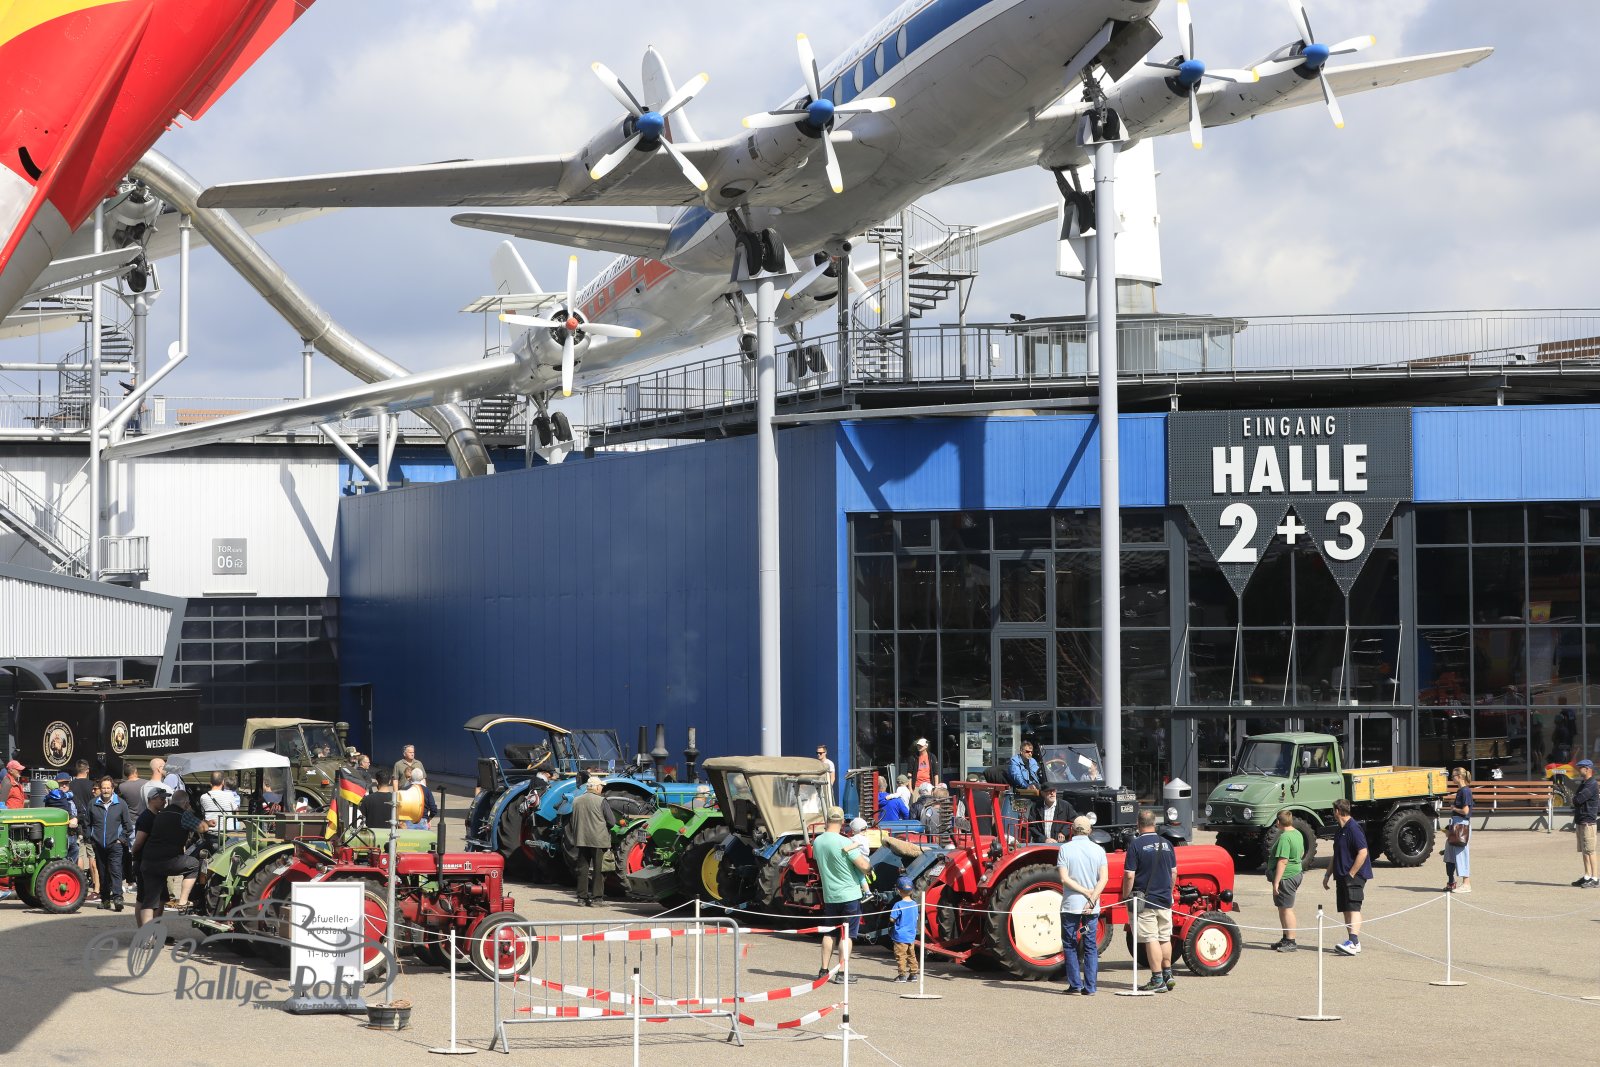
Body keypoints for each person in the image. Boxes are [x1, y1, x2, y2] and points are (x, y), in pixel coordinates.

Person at [129, 787, 210, 926]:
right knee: (194, 864)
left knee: (150, 901)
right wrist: (198, 817)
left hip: (148, 861)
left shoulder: (160, 814)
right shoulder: (183, 815)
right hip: (167, 860)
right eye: (161, 798)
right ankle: (183, 901)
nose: (163, 801)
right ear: (186, 803)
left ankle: (148, 934)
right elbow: (203, 828)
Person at [1121, 809, 1177, 992]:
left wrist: (1125, 895)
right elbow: (1174, 873)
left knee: (1150, 938)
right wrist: (1168, 891)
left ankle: (1157, 978)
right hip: (1164, 899)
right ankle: (1168, 974)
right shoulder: (1167, 844)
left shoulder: (1136, 845)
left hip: (1145, 901)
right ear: (1154, 823)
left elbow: (1129, 875)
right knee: (1164, 937)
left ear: (1138, 824)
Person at [813, 808, 869, 984]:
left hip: (830, 895)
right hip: (849, 895)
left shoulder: (818, 842)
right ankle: (842, 972)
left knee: (829, 932)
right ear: (843, 821)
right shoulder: (845, 842)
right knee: (847, 935)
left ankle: (823, 970)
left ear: (827, 820)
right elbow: (863, 866)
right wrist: (869, 868)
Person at [1058, 815, 1108, 995]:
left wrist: (1084, 891)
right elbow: (1104, 879)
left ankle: (1075, 984)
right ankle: (1091, 986)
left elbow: (1064, 879)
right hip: (1091, 906)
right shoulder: (1099, 850)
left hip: (1071, 904)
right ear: (1090, 831)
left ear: (1072, 830)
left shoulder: (1064, 849)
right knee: (1090, 945)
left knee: (1070, 944)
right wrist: (1092, 896)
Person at [1323, 798, 1373, 955]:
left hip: (1354, 876)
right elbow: (1336, 854)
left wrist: (1352, 873)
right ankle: (1353, 942)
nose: (1333, 813)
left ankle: (1353, 941)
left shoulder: (1353, 828)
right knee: (1345, 908)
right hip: (1341, 875)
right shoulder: (1340, 830)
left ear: (1338, 811)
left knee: (1353, 907)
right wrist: (1327, 874)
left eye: (1333, 810)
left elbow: (1363, 852)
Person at [85, 776, 134, 912]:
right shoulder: (93, 803)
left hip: (115, 844)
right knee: (102, 873)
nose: (106, 790)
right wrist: (90, 839)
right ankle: (105, 900)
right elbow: (87, 823)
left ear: (113, 789)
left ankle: (118, 898)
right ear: (100, 789)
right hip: (99, 844)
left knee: (115, 870)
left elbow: (128, 826)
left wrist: (121, 839)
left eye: (108, 788)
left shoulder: (121, 804)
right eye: (103, 788)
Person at [569, 778, 616, 906]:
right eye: (601, 786)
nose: (602, 789)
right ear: (596, 787)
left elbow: (573, 821)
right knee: (599, 870)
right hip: (598, 840)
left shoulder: (576, 800)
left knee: (582, 870)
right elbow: (612, 821)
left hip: (581, 839)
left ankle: (581, 898)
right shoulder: (601, 801)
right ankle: (597, 899)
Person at [1268, 810, 1304, 952]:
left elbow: (1283, 861)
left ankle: (1291, 941)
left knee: (1287, 909)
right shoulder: (1297, 833)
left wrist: (1276, 882)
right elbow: (1301, 852)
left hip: (1287, 876)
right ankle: (1286, 938)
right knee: (1282, 907)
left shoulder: (1285, 837)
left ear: (1278, 822)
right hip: (1295, 873)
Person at [68, 760, 99, 897]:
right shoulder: (92, 785)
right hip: (91, 824)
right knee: (92, 856)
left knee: (79, 855)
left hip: (76, 823)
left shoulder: (70, 785)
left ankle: (81, 885)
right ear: (87, 770)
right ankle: (96, 886)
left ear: (76, 770)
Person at [1443, 766, 1473, 894]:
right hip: (1456, 824)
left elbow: (1465, 811)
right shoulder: (1461, 790)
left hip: (1461, 826)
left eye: (1453, 776)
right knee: (1449, 855)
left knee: (1461, 855)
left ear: (1459, 777)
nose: (1452, 778)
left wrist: (1454, 808)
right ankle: (1451, 882)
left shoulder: (1465, 791)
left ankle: (1466, 884)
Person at [1572, 758, 1598, 888]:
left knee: (1590, 851)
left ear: (1587, 769)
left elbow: (1578, 800)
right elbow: (1576, 799)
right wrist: (1575, 798)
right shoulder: (1585, 783)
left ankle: (1595, 878)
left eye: (1580, 767)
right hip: (1581, 821)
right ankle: (1587, 876)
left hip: (1588, 823)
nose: (1578, 770)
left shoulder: (1591, 784)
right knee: (1584, 850)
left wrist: (1575, 798)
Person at [889, 875, 919, 984]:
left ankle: (902, 975)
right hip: (911, 935)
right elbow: (916, 918)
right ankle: (913, 974)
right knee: (911, 955)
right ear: (911, 890)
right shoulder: (914, 904)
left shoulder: (898, 904)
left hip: (900, 936)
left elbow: (892, 919)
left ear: (898, 890)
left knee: (901, 956)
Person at [45, 771, 80, 861]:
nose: (64, 786)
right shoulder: (51, 799)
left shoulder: (73, 797)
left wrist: (76, 818)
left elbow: (83, 812)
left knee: (75, 853)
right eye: (61, 784)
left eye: (66, 783)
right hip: (60, 834)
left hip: (73, 834)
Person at [199, 772, 241, 836]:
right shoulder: (229, 795)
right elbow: (236, 810)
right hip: (227, 832)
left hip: (211, 832)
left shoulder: (203, 797)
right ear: (223, 782)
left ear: (210, 783)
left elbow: (203, 813)